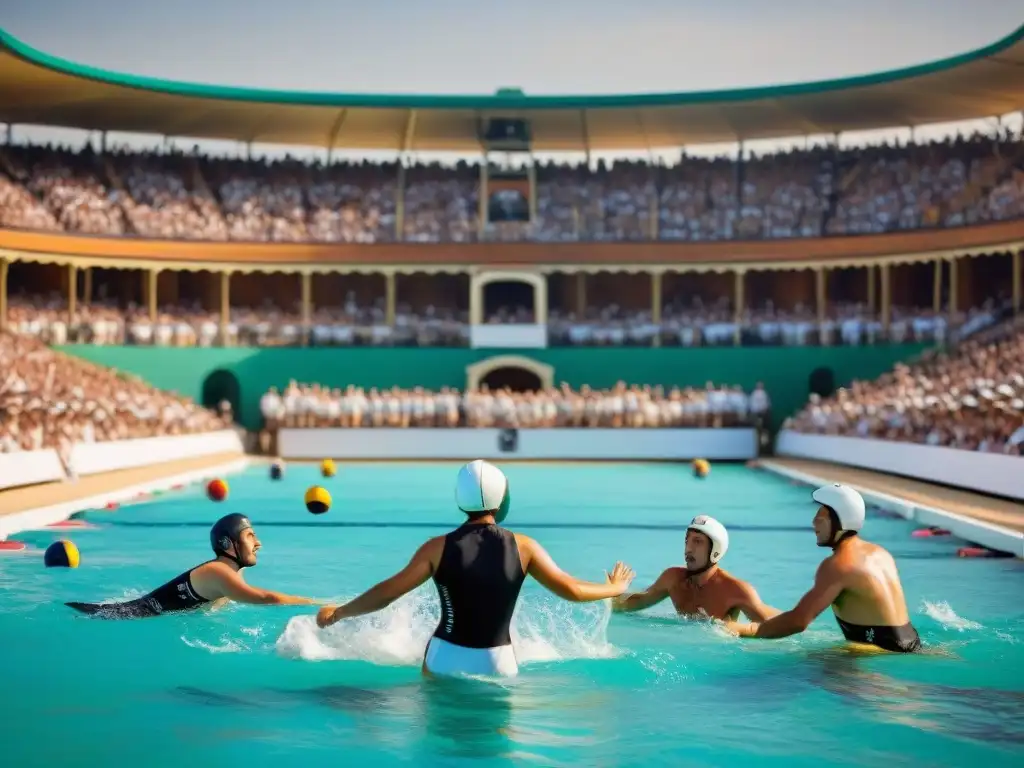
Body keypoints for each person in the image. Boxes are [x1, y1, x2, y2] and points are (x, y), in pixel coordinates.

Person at [316, 459, 636, 678]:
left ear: (460, 499)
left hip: (444, 659)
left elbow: (387, 592)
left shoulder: (436, 548)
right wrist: (615, 588)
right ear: (501, 498)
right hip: (498, 663)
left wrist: (339, 613)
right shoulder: (524, 547)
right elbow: (572, 589)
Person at [725, 484, 922, 653]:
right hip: (912, 644)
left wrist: (743, 630)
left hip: (880, 654)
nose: (813, 523)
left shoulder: (838, 565)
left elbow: (798, 621)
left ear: (839, 522)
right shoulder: (880, 553)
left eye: (820, 518)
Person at [66, 513, 317, 618]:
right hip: (125, 617)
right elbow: (267, 598)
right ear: (227, 543)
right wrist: (316, 603)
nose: (258, 542)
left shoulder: (228, 576)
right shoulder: (219, 572)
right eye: (250, 535)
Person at [611, 515, 777, 621]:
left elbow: (776, 631)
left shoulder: (736, 591)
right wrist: (612, 591)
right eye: (687, 541)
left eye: (697, 541)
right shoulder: (673, 579)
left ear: (715, 550)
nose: (688, 549)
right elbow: (629, 604)